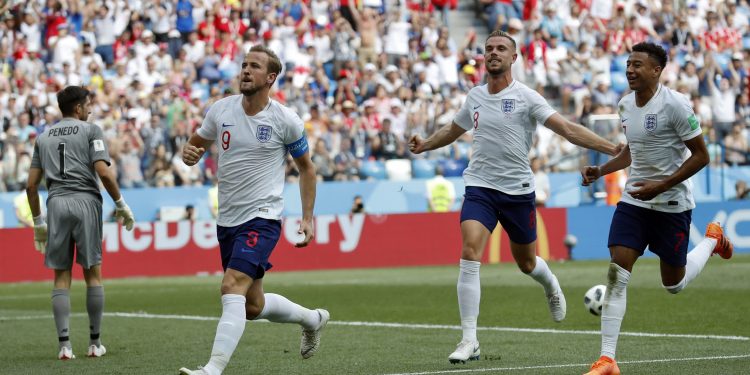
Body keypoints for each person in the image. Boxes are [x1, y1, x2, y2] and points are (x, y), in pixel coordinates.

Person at [408, 30, 620, 364]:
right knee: (469, 251)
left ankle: (550, 284)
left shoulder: (527, 97)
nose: (493, 53)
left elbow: (567, 129)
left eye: (501, 48)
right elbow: (453, 130)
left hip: (519, 191)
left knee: (526, 262)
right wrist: (426, 145)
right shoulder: (474, 96)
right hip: (480, 187)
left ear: (513, 57)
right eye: (488, 48)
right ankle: (469, 339)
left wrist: (612, 148)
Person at [580, 42, 734, 375]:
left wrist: (662, 186)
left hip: (672, 204)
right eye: (628, 64)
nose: (630, 70)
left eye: (638, 65)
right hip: (634, 200)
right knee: (616, 273)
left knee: (673, 284)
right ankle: (607, 359)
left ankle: (712, 239)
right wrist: (601, 171)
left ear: (656, 70)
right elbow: (631, 153)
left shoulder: (676, 105)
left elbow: (702, 156)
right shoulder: (624, 106)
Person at [179, 45, 328, 375]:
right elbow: (196, 143)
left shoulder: (285, 120)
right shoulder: (220, 111)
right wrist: (190, 152)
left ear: (270, 77)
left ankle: (212, 369)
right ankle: (313, 319)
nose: (245, 70)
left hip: (262, 218)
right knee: (252, 305)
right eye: (244, 65)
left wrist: (307, 217)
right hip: (228, 219)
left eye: (255, 66)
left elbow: (307, 168)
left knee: (231, 285)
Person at [26, 86, 135, 360]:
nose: (91, 110)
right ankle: (94, 344)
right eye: (88, 105)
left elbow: (30, 186)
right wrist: (121, 205)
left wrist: (38, 222)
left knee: (61, 277)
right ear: (78, 108)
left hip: (56, 203)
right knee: (92, 274)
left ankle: (64, 346)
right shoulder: (91, 131)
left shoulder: (43, 137)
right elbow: (104, 173)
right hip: (86, 202)